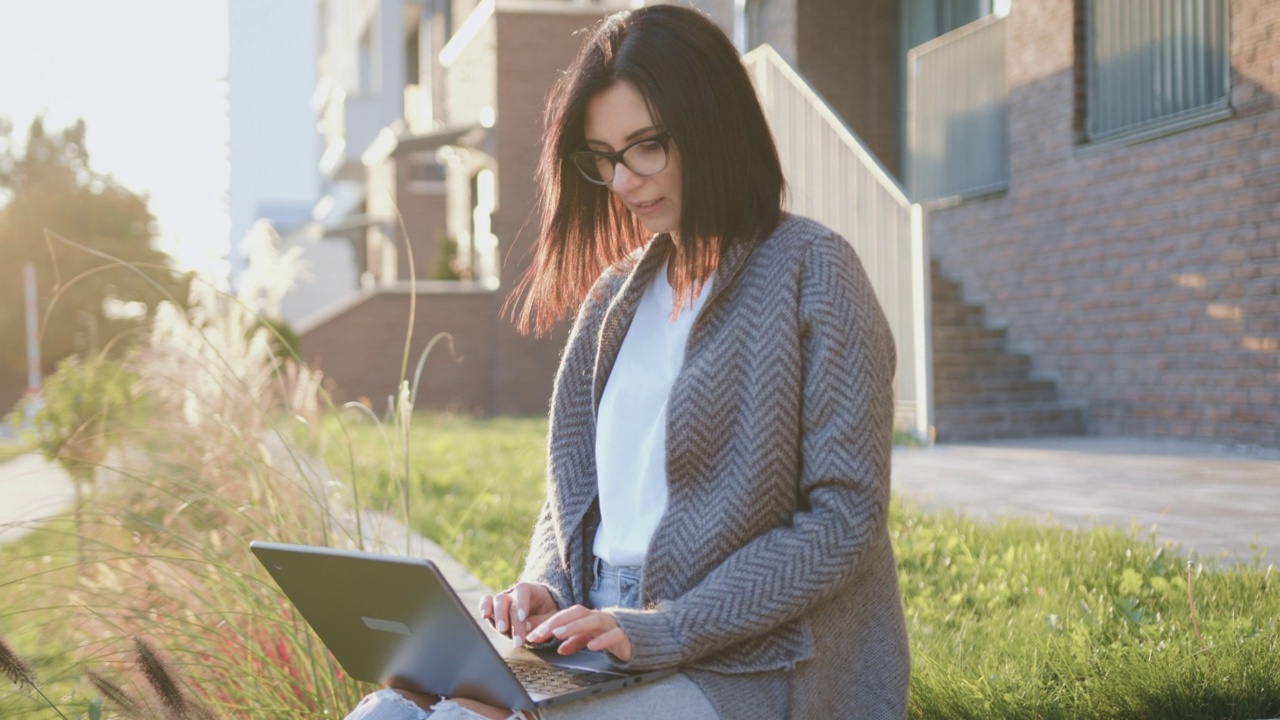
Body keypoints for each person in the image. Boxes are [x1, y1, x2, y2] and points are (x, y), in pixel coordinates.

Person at [345, 5, 909, 719]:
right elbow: (572, 499)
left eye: (646, 146)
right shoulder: (615, 296)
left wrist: (663, 628)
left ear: (713, 123)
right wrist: (545, 584)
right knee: (385, 713)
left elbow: (844, 519)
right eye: (605, 157)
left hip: (746, 657)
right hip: (597, 641)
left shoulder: (813, 271)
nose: (622, 181)